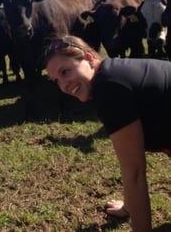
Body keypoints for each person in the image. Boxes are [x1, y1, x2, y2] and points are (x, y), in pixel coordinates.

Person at [44, 35, 171, 232]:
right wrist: (127, 207)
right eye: (56, 80)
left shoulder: (109, 88)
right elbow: (131, 156)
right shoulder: (111, 73)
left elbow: (135, 173)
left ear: (89, 58)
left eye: (65, 72)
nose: (63, 85)